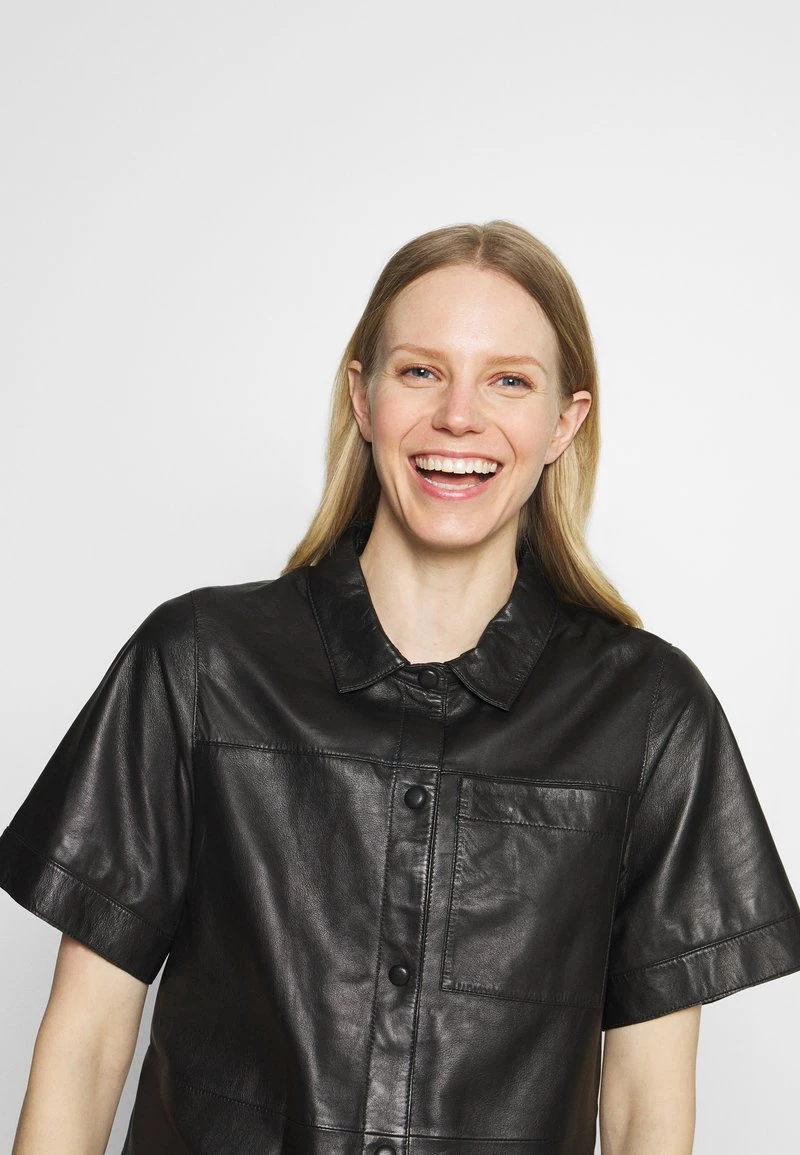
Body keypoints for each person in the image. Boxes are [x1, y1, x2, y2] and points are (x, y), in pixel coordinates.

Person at [1, 220, 799, 1155]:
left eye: (509, 380)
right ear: (363, 395)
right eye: (421, 371)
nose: (459, 416)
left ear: (565, 422)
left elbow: (643, 1111)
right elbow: (87, 1044)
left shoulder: (652, 714)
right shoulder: (197, 666)